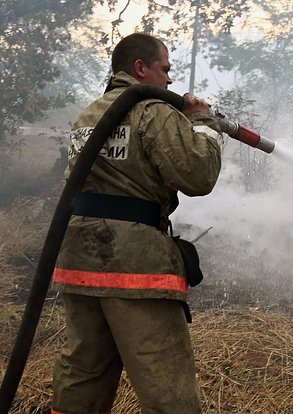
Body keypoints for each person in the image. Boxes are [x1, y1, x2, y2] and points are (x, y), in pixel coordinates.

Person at [51, 33, 224, 414]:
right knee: (167, 388)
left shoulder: (89, 114)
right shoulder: (153, 111)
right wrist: (204, 125)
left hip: (79, 261)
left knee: (83, 373)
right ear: (141, 68)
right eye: (165, 69)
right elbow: (199, 175)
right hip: (135, 266)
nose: (170, 81)